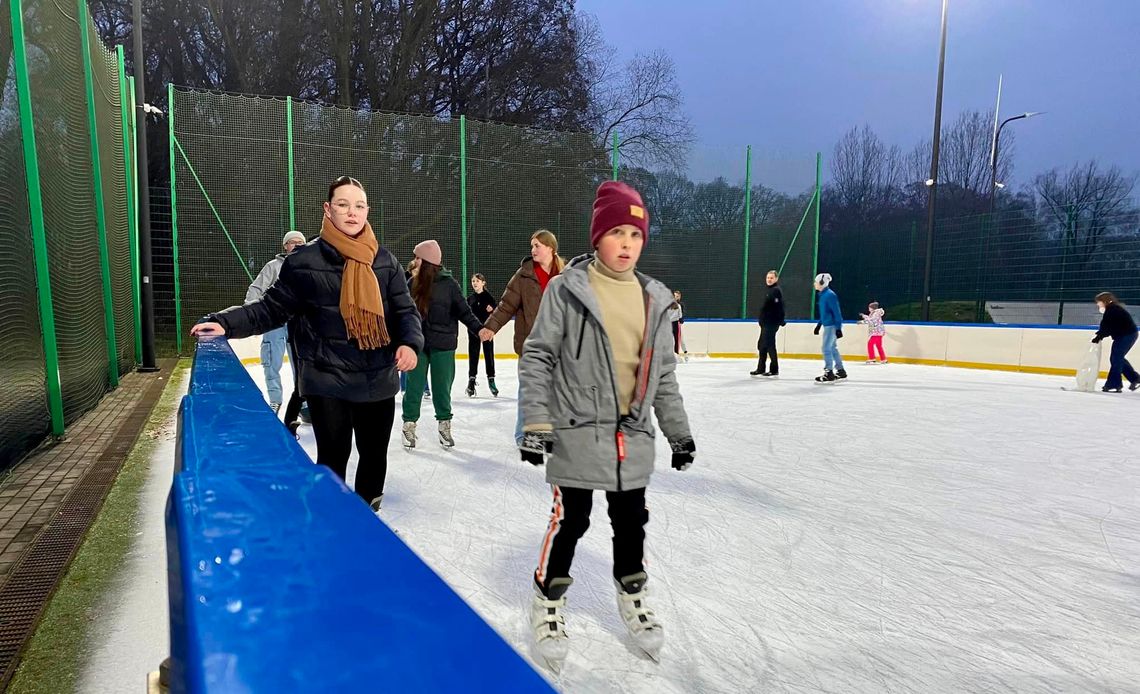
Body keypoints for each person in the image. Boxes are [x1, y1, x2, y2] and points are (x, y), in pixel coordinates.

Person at [518, 181, 695, 670]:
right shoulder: (568, 290)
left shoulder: (655, 299)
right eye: (616, 232)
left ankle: (632, 595)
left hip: (631, 436)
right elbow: (537, 357)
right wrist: (536, 422)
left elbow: (663, 377)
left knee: (631, 520)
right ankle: (547, 602)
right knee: (570, 520)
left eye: (635, 235)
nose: (626, 244)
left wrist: (679, 433)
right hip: (575, 430)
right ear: (597, 237)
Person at [190, 176, 422, 513]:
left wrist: (410, 344)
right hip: (327, 380)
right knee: (332, 458)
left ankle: (368, 521)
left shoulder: (385, 262)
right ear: (328, 210)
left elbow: (405, 311)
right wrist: (226, 321)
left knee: (374, 456)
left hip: (378, 379)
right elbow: (271, 309)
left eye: (359, 205)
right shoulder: (303, 261)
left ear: (367, 211)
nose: (352, 212)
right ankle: (331, 521)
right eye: (343, 204)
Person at [479, 229, 566, 445]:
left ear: (550, 248)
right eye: (532, 245)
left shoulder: (565, 275)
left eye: (537, 245)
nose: (533, 249)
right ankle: (523, 435)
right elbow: (507, 304)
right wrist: (491, 327)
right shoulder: (524, 274)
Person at [401, 241, 485, 448]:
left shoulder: (449, 286)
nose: (415, 261)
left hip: (444, 345)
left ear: (429, 262)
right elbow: (402, 313)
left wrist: (479, 328)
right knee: (413, 387)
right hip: (418, 345)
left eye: (418, 258)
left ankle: (444, 425)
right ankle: (409, 425)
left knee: (441, 388)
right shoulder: (412, 283)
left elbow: (465, 312)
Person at [245, 230, 307, 412]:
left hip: (299, 324)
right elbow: (256, 289)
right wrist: (253, 314)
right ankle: (275, 400)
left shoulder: (309, 266)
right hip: (276, 323)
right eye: (292, 242)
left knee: (302, 363)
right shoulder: (273, 266)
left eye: (300, 242)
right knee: (272, 361)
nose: (296, 245)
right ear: (285, 246)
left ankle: (303, 402)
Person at [1092, 292, 1139, 393]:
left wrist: (1100, 335)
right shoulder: (1111, 309)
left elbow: (1109, 326)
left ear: (1105, 301)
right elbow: (1106, 325)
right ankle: (1135, 378)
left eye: (1099, 302)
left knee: (1116, 358)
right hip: (1125, 334)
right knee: (1117, 358)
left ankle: (1114, 384)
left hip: (1127, 335)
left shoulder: (1113, 310)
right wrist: (1099, 335)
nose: (1097, 304)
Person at [466, 273, 499, 397]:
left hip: (487, 331)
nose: (475, 283)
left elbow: (497, 312)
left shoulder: (489, 297)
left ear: (483, 283)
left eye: (477, 281)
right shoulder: (470, 299)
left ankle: (491, 380)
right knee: (473, 355)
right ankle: (471, 381)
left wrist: (493, 309)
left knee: (489, 355)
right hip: (474, 332)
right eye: (473, 281)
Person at [812, 273, 847, 382]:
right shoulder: (823, 295)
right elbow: (825, 313)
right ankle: (840, 370)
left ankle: (829, 372)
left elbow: (837, 313)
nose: (814, 284)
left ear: (822, 283)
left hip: (831, 326)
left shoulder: (830, 295)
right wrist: (819, 324)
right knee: (832, 348)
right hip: (828, 325)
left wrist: (838, 328)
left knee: (826, 348)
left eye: (816, 282)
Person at [751, 269, 785, 377]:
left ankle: (774, 369)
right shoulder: (769, 290)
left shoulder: (776, 291)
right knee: (762, 345)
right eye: (768, 278)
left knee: (770, 345)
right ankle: (761, 368)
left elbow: (779, 307)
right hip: (765, 323)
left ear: (776, 279)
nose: (769, 280)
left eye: (771, 278)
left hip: (771, 323)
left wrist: (780, 320)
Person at [667, 290, 686, 360]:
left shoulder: (669, 305)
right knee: (675, 340)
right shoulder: (677, 305)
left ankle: (675, 354)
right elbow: (680, 315)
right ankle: (674, 355)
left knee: (675, 340)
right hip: (674, 323)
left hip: (671, 323)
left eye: (677, 296)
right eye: (675, 296)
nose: (676, 297)